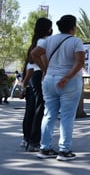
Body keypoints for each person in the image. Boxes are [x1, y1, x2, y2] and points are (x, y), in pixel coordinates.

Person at [31, 15, 85, 161]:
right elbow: (80, 61)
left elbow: (34, 54)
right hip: (69, 82)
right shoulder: (75, 41)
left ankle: (44, 148)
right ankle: (64, 151)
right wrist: (67, 77)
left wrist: (45, 70)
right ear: (73, 27)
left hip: (49, 80)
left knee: (49, 114)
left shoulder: (49, 40)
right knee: (67, 116)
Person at [21, 18, 53, 152]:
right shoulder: (43, 42)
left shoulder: (34, 42)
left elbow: (29, 63)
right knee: (39, 109)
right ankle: (34, 141)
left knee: (30, 109)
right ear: (47, 29)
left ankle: (27, 139)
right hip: (39, 76)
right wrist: (46, 70)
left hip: (32, 77)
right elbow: (41, 58)